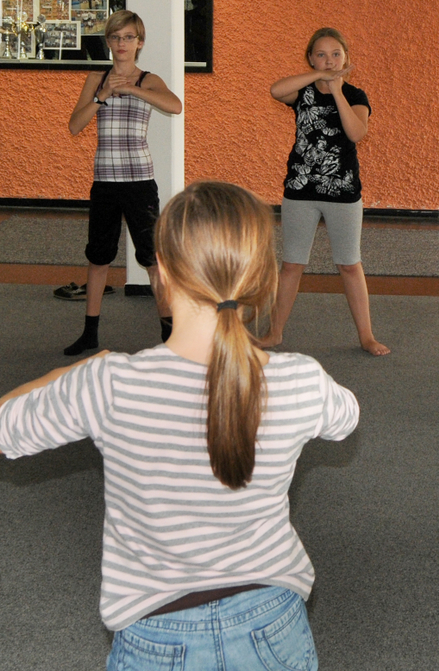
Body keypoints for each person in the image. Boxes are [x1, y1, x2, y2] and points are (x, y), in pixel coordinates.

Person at [0, 181, 359, 669]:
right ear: (261, 278)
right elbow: (346, 418)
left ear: (162, 273)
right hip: (274, 625)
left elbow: (7, 428)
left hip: (156, 635)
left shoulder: (110, 383)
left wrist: (70, 373)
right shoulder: (300, 380)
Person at [260, 27, 389, 355]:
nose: (329, 61)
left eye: (335, 54)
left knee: (349, 264)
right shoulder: (301, 92)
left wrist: (337, 90)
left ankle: (366, 336)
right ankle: (275, 332)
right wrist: (318, 77)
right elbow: (276, 90)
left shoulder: (356, 96)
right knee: (292, 264)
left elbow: (356, 132)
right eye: (321, 55)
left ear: (346, 58)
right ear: (310, 59)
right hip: (301, 189)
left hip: (342, 192)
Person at [65, 9, 182, 356]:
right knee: (99, 257)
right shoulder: (96, 79)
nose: (122, 43)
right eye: (116, 37)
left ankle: (170, 335)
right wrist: (102, 95)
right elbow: (74, 126)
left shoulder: (148, 79)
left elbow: (174, 106)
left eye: (128, 37)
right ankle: (90, 333)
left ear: (139, 42)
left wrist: (130, 88)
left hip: (139, 181)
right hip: (105, 181)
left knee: (152, 258)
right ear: (108, 41)